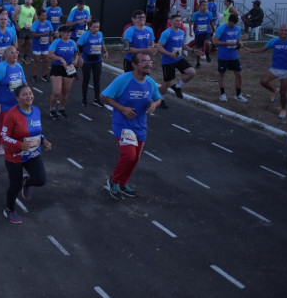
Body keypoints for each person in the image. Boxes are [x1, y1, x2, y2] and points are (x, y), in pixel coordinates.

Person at [101, 52, 162, 200]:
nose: (148, 64)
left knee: (135, 159)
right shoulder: (123, 80)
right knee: (129, 155)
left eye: (150, 61)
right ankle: (113, 181)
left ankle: (123, 183)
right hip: (123, 125)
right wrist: (122, 109)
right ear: (134, 65)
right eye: (144, 61)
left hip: (140, 126)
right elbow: (104, 96)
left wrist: (154, 104)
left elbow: (158, 98)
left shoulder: (151, 82)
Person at [0, 84, 52, 224]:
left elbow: (37, 131)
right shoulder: (12, 115)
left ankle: (26, 182)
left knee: (41, 180)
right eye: (25, 94)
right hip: (14, 156)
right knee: (14, 187)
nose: (29, 96)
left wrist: (44, 140)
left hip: (33, 154)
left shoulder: (36, 111)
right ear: (17, 98)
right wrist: (19, 144)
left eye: (30, 93)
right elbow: (4, 136)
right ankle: (9, 209)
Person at [245, 24, 287, 118]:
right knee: (263, 81)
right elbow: (262, 49)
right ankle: (273, 90)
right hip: (275, 68)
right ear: (278, 31)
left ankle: (283, 109)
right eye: (282, 30)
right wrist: (250, 50)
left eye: (286, 30)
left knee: (283, 92)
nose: (284, 32)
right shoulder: (274, 41)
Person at [0, 46, 26, 155]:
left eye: (16, 52)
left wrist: (28, 95)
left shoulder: (18, 66)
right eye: (12, 53)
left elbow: (24, 82)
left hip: (16, 102)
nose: (15, 55)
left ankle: (15, 144)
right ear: (6, 55)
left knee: (18, 124)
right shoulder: (1, 68)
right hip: (3, 103)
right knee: (5, 125)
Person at [156, 14, 197, 108]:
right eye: (177, 21)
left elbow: (182, 44)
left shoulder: (181, 32)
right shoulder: (166, 33)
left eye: (180, 20)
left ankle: (177, 87)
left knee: (192, 72)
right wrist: (170, 54)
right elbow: (159, 47)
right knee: (167, 83)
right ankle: (160, 99)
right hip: (168, 61)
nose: (179, 23)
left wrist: (193, 50)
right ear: (171, 21)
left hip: (178, 59)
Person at [212, 13, 247, 102]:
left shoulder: (237, 28)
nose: (233, 25)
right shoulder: (222, 28)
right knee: (221, 74)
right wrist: (226, 43)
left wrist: (240, 43)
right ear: (229, 21)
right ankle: (222, 94)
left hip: (234, 56)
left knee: (239, 75)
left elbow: (238, 39)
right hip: (223, 56)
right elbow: (214, 41)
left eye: (235, 24)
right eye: (231, 24)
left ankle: (238, 94)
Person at [47, 25, 79, 120]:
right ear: (61, 33)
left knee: (65, 91)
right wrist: (60, 58)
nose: (69, 33)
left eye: (70, 32)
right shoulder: (56, 42)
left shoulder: (72, 42)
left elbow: (76, 53)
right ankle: (52, 109)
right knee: (56, 92)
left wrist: (76, 60)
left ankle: (61, 109)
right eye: (66, 32)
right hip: (57, 68)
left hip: (69, 68)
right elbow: (50, 54)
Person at [77, 19, 108, 107]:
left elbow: (102, 44)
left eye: (98, 27)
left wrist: (105, 52)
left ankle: (97, 99)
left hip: (97, 60)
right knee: (86, 79)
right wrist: (79, 56)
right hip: (86, 60)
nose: (96, 29)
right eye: (94, 27)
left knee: (97, 80)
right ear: (89, 27)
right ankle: (84, 99)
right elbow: (77, 45)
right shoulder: (85, 35)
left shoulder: (100, 34)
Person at [189, 0, 215, 69]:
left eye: (206, 5)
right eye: (203, 5)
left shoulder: (209, 14)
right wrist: (190, 30)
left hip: (207, 32)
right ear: (200, 6)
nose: (205, 6)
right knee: (199, 49)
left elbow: (211, 22)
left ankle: (207, 53)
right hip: (198, 33)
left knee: (208, 43)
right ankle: (198, 63)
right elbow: (191, 22)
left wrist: (213, 29)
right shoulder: (196, 14)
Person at [13, 0, 37, 64]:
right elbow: (13, 15)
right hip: (22, 28)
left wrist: (35, 27)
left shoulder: (33, 9)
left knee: (29, 43)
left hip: (30, 28)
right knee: (21, 43)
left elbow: (36, 19)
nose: (27, 0)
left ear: (32, 1)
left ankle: (26, 56)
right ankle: (18, 56)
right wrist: (17, 25)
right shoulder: (21, 7)